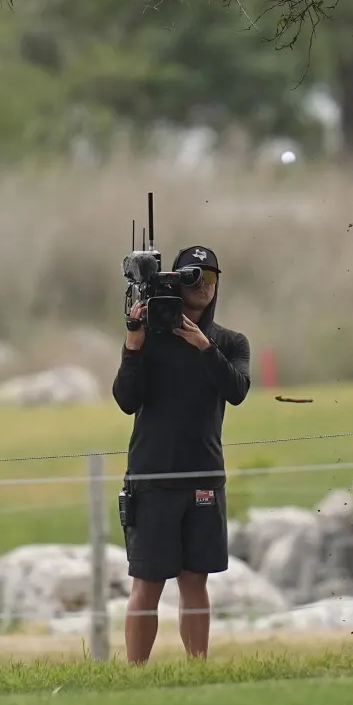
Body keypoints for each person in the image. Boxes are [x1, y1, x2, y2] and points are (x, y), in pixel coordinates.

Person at [111, 245, 251, 664]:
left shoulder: (229, 341)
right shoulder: (150, 338)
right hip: (152, 477)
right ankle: (135, 674)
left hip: (204, 475)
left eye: (210, 278)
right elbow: (125, 399)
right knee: (147, 582)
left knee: (195, 580)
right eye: (192, 277)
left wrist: (203, 345)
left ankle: (198, 669)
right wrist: (133, 346)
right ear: (173, 280)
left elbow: (237, 390)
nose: (203, 286)